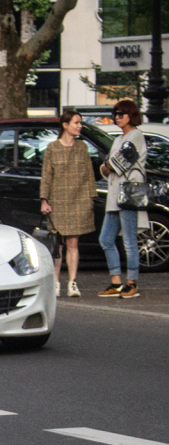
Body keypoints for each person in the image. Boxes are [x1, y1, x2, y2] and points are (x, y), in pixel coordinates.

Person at [40, 110, 95, 298]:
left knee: (73, 242)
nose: (80, 126)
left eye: (80, 123)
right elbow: (46, 176)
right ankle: (55, 282)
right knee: (57, 245)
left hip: (78, 200)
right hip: (57, 200)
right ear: (65, 125)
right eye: (76, 122)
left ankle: (72, 282)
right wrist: (44, 200)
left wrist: (90, 198)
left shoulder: (83, 147)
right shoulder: (52, 148)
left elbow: (89, 175)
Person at [97, 99, 147, 299]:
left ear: (131, 115)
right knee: (106, 239)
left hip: (128, 193)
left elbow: (117, 163)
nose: (117, 117)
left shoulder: (136, 135)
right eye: (115, 114)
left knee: (128, 240)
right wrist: (109, 165)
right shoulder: (119, 138)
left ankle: (132, 283)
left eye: (121, 114)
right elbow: (105, 167)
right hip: (115, 195)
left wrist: (109, 165)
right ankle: (116, 282)